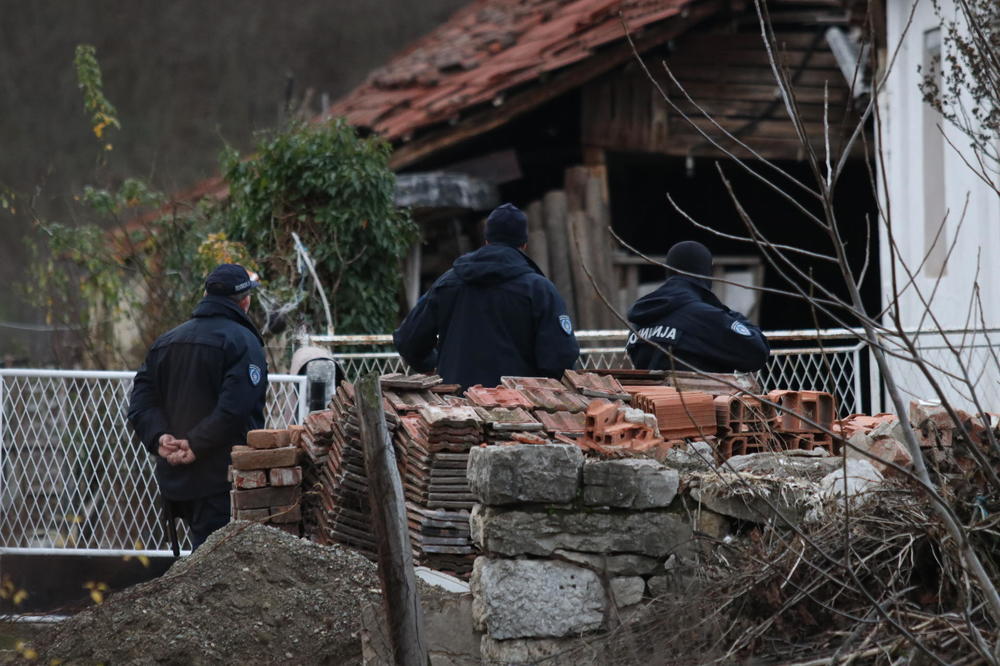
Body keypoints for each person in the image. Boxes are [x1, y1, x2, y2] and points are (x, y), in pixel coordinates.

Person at [128, 263, 268, 550]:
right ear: (245, 301)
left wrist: (160, 438)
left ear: (206, 295)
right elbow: (235, 407)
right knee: (222, 566)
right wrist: (195, 444)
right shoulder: (243, 342)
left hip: (177, 480)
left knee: (197, 562)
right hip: (225, 479)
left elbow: (140, 403)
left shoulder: (165, 342)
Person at [394, 203, 580, 389]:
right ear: (524, 244)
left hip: (456, 408)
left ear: (486, 240)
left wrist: (430, 364)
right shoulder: (540, 290)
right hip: (521, 410)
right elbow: (560, 358)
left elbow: (408, 340)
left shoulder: (448, 283)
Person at [625, 240, 769, 373]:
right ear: (705, 273)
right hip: (702, 400)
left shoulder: (640, 320)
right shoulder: (706, 317)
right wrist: (722, 310)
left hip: (650, 399)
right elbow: (757, 353)